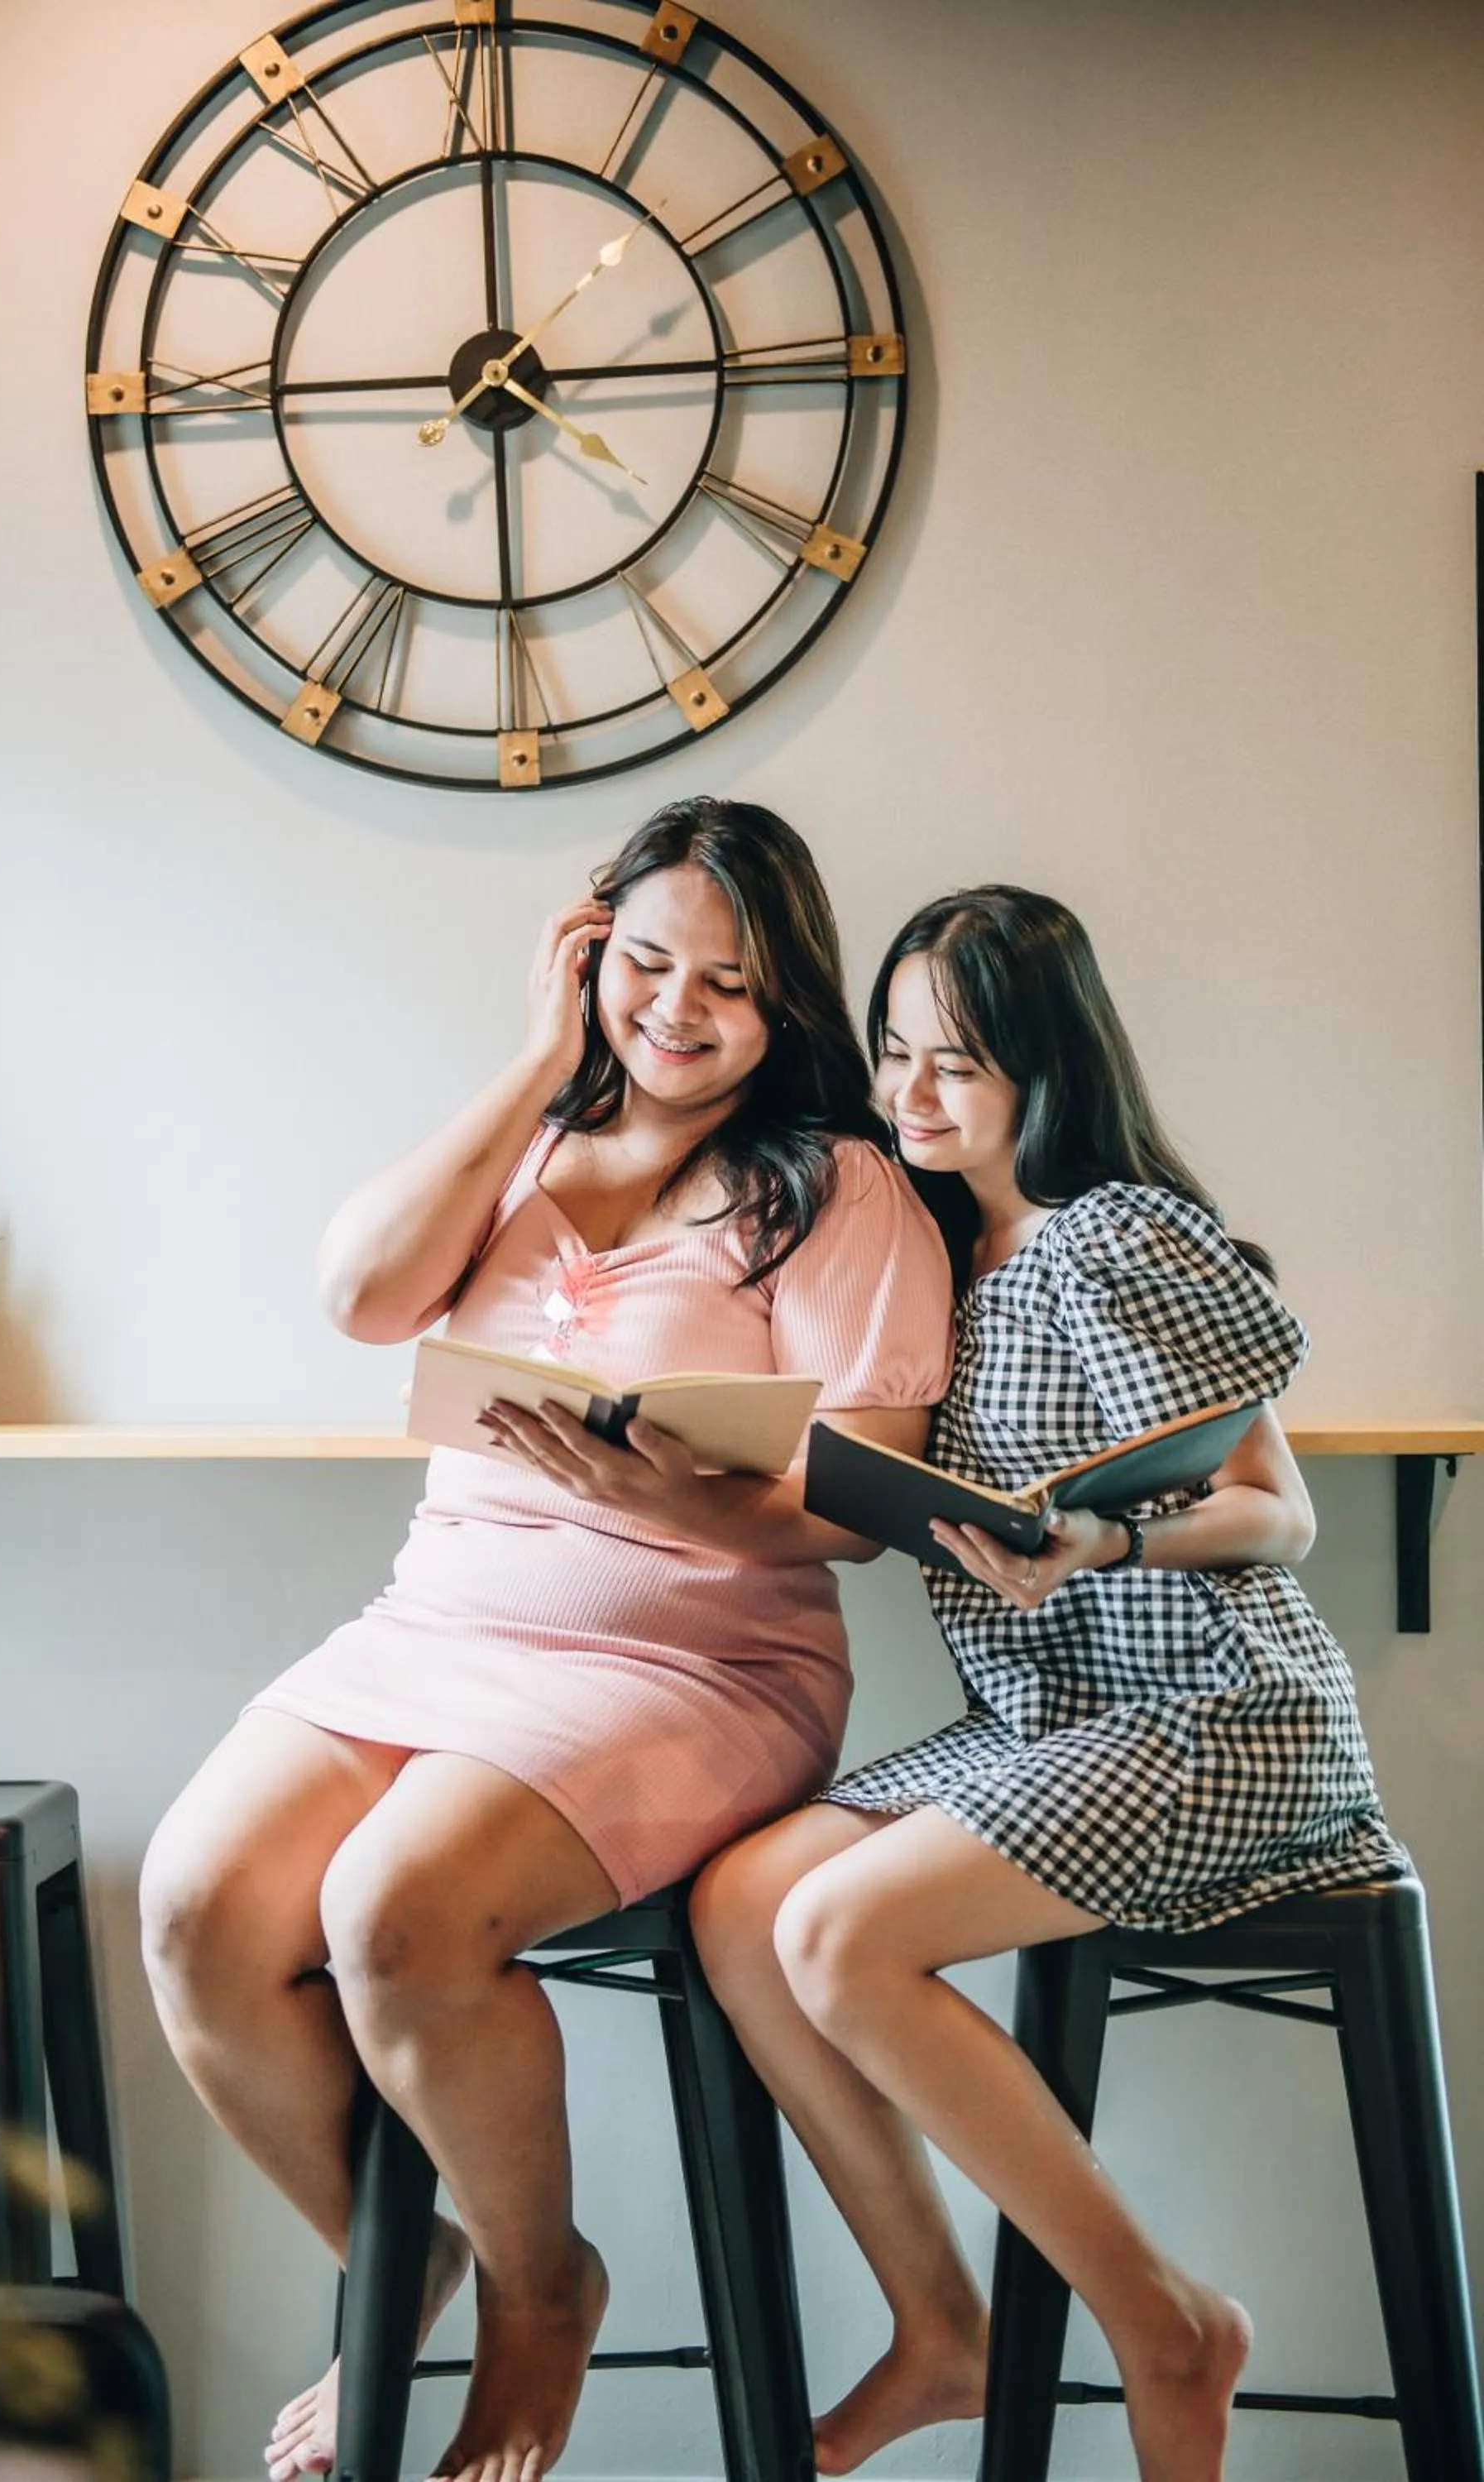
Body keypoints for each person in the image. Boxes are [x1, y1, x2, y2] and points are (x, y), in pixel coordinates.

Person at [137, 798, 953, 2482]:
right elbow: (363, 1297)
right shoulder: (524, 1143)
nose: (676, 1009)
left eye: (725, 982)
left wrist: (670, 1500)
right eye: (643, 964)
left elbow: (863, 1506)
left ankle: (537, 2298)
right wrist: (532, 1054)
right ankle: (401, 2250)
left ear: (785, 998)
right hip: (440, 1626)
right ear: (587, 958)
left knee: (394, 1908)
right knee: (199, 1905)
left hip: (699, 1661)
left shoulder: (836, 1185)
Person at [691, 884, 1407, 2482]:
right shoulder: (929, 1248)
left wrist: (1096, 1542)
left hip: (1212, 1710)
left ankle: (1162, 2321)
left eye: (958, 1063)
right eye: (896, 1056)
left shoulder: (1115, 1233)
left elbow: (1277, 1511)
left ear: (1045, 1063)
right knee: (745, 1905)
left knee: (839, 1928)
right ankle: (945, 2331)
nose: (913, 1096)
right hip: (1049, 1724)